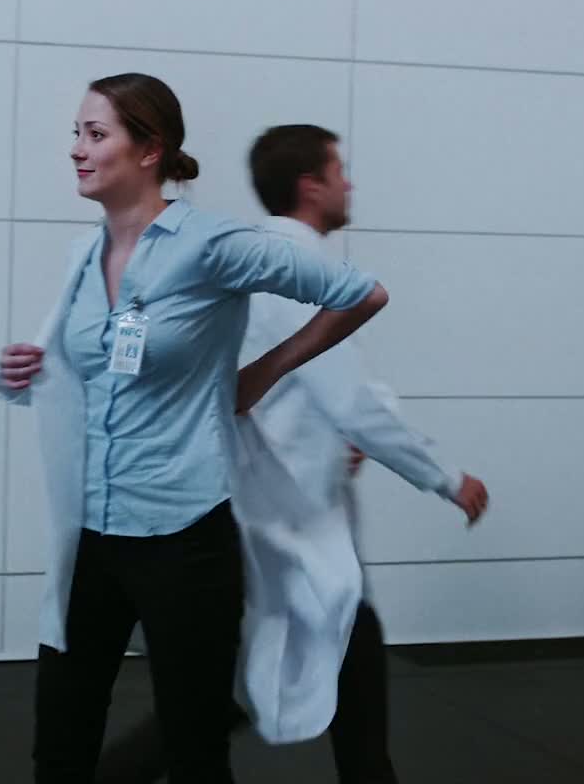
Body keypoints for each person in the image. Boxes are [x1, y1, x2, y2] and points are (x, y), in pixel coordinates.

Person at [0, 73, 390, 784]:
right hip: (91, 534)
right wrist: (24, 370)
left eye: (95, 134)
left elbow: (359, 293)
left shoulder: (213, 244)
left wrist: (263, 373)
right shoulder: (84, 254)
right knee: (58, 746)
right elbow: (84, 373)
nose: (77, 149)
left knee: (195, 752)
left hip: (184, 541)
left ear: (150, 150)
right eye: (76, 134)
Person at [95, 124, 489, 784]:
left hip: (261, 519)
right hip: (289, 526)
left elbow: (307, 391)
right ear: (310, 186)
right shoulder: (291, 268)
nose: (349, 185)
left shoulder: (248, 261)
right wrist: (447, 478)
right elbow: (349, 397)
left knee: (225, 698)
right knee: (335, 692)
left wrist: (337, 437)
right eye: (339, 172)